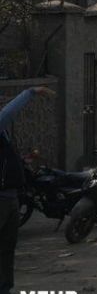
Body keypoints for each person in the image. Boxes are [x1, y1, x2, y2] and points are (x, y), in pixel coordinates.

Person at [0, 86, 55, 293]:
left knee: (7, 248)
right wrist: (30, 92)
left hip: (10, 197)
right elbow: (8, 113)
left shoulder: (4, 135)